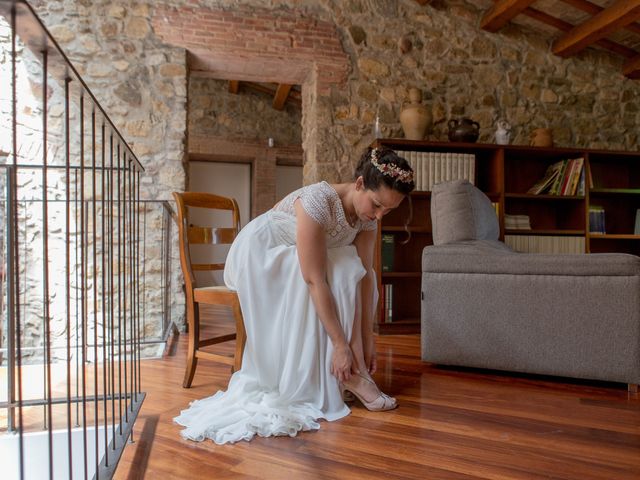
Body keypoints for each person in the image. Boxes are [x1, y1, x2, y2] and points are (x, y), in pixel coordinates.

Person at [174, 146, 415, 444]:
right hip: (263, 252)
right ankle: (345, 372)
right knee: (333, 271)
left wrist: (367, 340)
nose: (379, 215)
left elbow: (366, 278)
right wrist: (340, 344)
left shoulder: (367, 219)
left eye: (388, 211)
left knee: (351, 269)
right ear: (360, 184)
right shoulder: (319, 201)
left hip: (303, 260)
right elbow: (313, 279)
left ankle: (354, 372)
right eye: (377, 205)